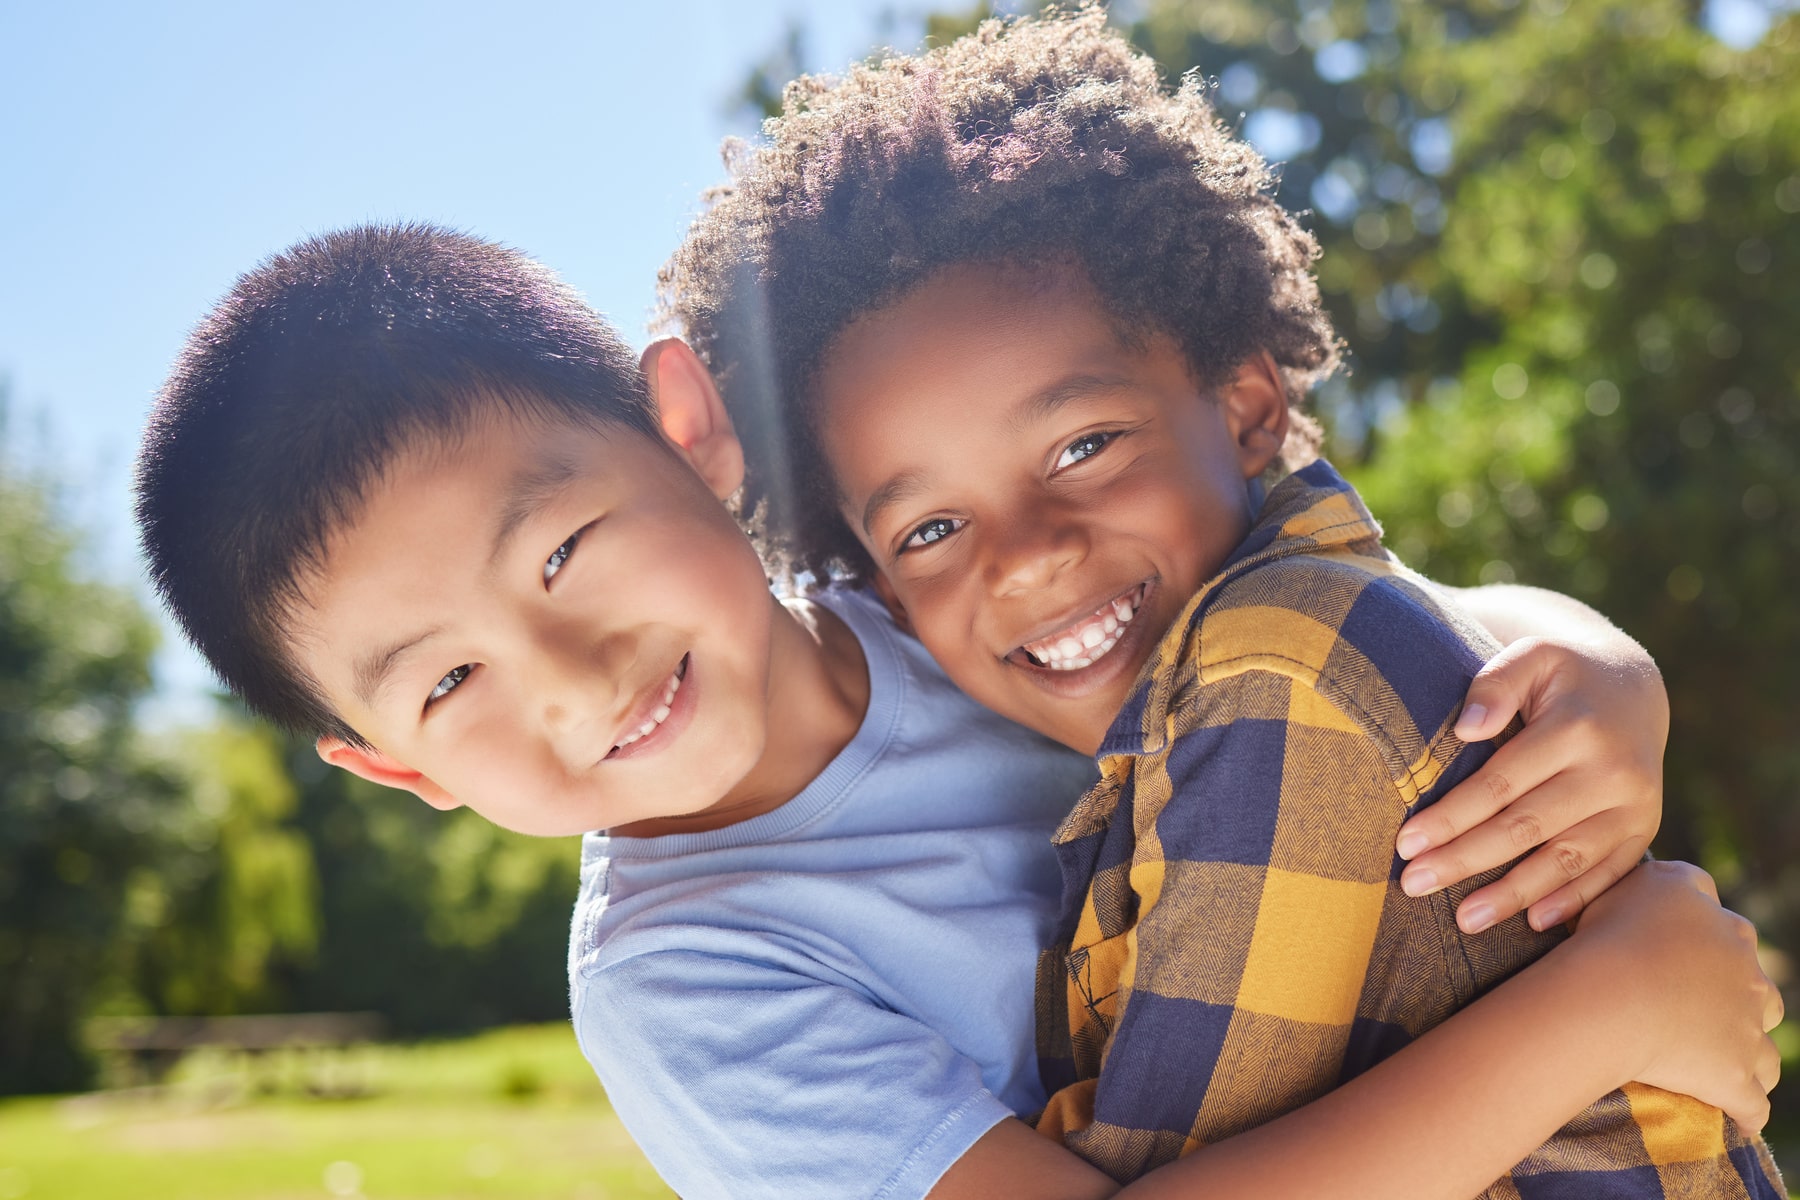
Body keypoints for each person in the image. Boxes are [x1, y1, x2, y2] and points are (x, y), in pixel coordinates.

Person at [133, 224, 1778, 1200]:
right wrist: (1600, 1012)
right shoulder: (687, 979)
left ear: (688, 432)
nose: (569, 676)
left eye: (562, 550)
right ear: (395, 767)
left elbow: (1326, 625)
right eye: (449, 682)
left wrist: (1589, 661)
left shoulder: (953, 589)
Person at [656, 9, 1785, 1198]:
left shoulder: (1270, 678)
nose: (1027, 560)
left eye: (1084, 445)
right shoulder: (1211, 690)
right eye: (930, 530)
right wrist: (1604, 663)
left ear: (1247, 407)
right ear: (882, 586)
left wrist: (1613, 996)